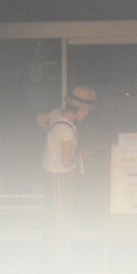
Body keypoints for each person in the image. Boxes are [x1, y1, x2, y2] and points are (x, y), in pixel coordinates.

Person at [37, 85, 95, 264]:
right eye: (87, 110)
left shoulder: (57, 114)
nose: (87, 114)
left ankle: (51, 254)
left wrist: (50, 136)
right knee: (62, 216)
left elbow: (39, 118)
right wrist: (81, 155)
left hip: (48, 171)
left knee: (53, 213)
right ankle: (59, 258)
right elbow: (66, 161)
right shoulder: (67, 131)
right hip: (60, 176)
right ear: (79, 109)